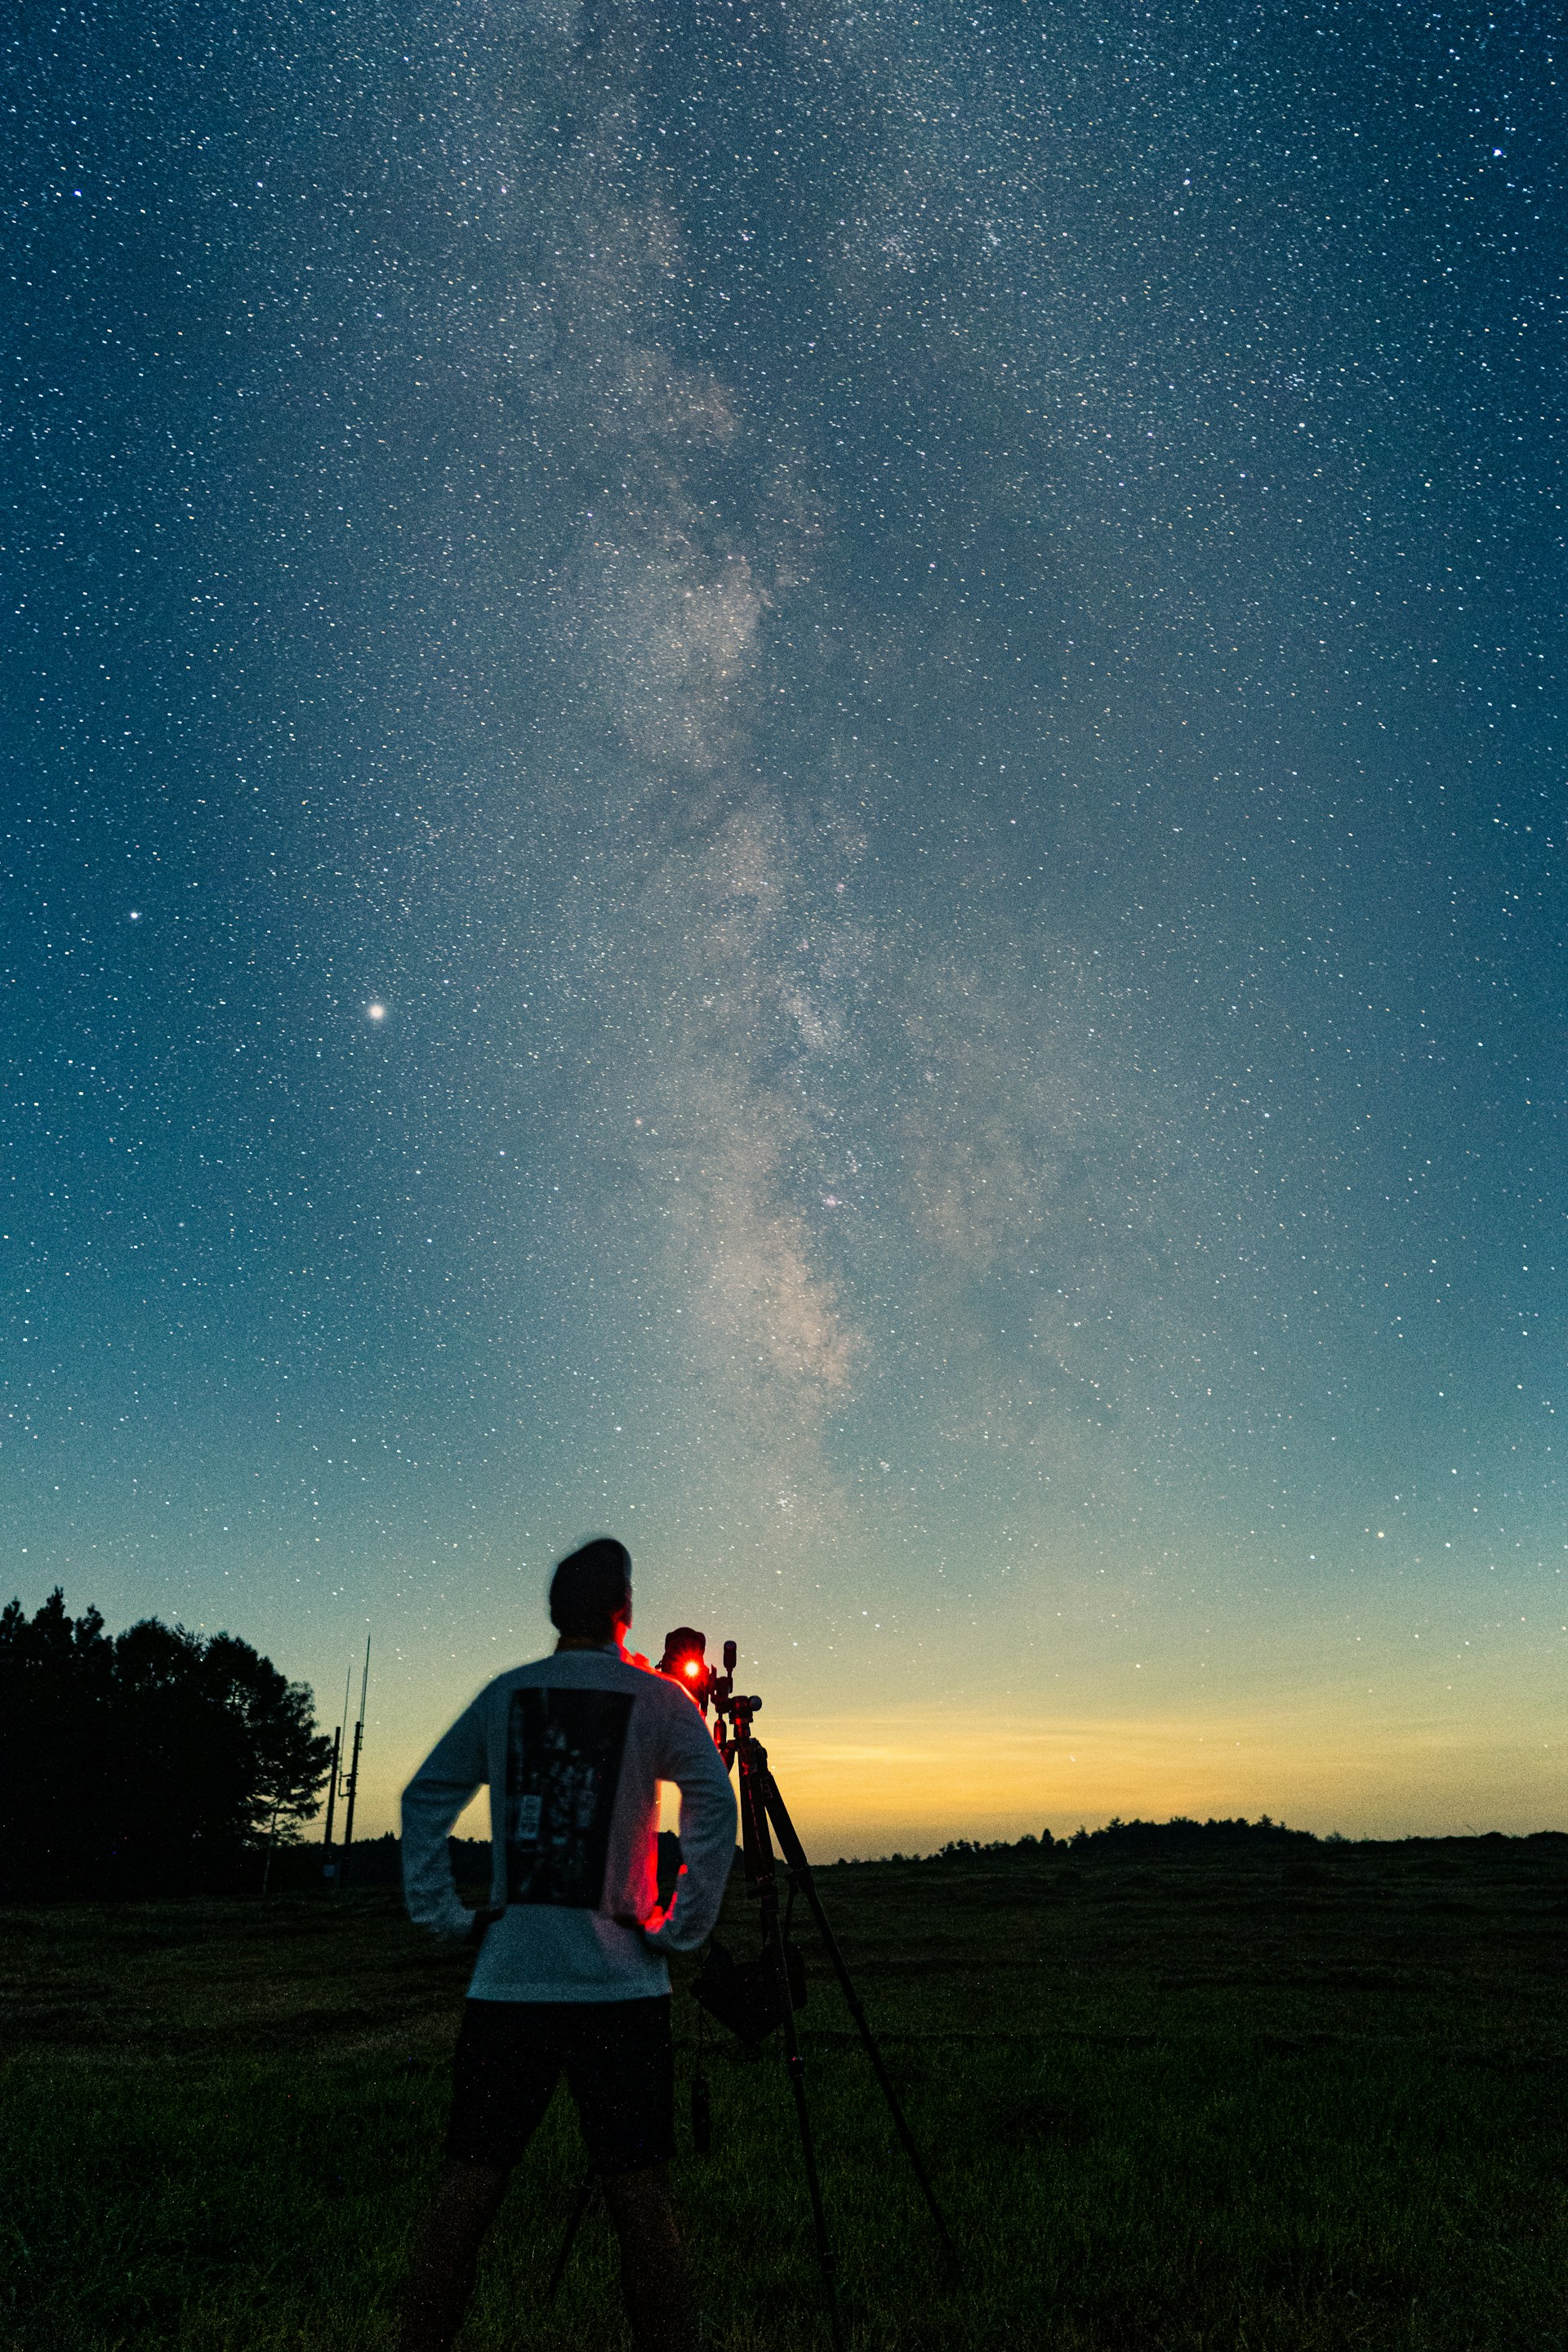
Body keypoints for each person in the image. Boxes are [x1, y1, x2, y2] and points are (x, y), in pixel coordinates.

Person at [397, 1536, 737, 2352]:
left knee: (466, 2193)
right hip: (621, 1989)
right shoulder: (660, 1701)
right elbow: (713, 1809)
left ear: (555, 1612)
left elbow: (423, 1802)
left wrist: (447, 1919)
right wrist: (677, 1926)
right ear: (625, 1611)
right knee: (642, 2204)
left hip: (508, 1985)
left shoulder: (507, 1696)